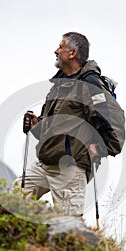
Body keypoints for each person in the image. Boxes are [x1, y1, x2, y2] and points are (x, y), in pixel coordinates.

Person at [13, 32, 109, 217]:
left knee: (69, 227)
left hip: (70, 168)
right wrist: (37, 124)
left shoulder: (91, 83)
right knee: (12, 203)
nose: (56, 50)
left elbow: (110, 120)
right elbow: (56, 126)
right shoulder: (60, 83)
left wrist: (101, 147)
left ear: (72, 53)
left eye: (61, 46)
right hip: (45, 163)